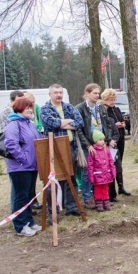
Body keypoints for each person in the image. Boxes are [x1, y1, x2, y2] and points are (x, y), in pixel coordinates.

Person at [40, 83, 85, 217]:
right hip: (54, 148)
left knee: (71, 178)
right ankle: (54, 210)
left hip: (71, 147)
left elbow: (79, 123)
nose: (59, 95)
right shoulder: (45, 109)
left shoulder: (68, 107)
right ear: (50, 94)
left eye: (60, 92)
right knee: (55, 179)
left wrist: (61, 123)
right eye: (56, 93)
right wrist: (67, 122)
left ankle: (71, 207)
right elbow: (51, 123)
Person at [4, 97, 42, 237]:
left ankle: (29, 221)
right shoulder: (13, 125)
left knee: (28, 196)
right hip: (20, 168)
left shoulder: (30, 123)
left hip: (32, 166)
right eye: (27, 108)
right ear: (19, 108)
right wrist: (24, 159)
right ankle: (20, 225)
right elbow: (11, 144)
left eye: (31, 107)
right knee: (20, 196)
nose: (30, 110)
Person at [76, 83, 114, 209]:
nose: (97, 95)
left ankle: (102, 197)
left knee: (102, 169)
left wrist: (107, 140)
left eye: (98, 93)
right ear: (87, 94)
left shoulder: (101, 108)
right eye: (94, 93)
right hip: (89, 144)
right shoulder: (80, 108)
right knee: (87, 171)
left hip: (101, 143)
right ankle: (87, 197)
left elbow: (107, 124)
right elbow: (79, 129)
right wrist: (87, 145)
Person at [101, 89, 132, 198]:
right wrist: (115, 124)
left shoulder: (117, 109)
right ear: (105, 100)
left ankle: (121, 186)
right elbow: (106, 124)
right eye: (110, 100)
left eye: (114, 99)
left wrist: (123, 124)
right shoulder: (103, 110)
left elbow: (122, 119)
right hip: (111, 139)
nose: (112, 102)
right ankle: (111, 190)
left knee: (119, 163)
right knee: (112, 163)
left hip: (121, 137)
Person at [87, 130, 117, 212]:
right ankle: (99, 202)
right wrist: (91, 176)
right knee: (97, 189)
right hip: (97, 175)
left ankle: (106, 201)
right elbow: (90, 165)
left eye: (103, 139)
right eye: (100, 140)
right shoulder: (92, 151)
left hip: (106, 174)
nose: (102, 141)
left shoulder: (106, 150)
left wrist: (113, 171)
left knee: (105, 188)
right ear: (96, 141)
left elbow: (111, 161)